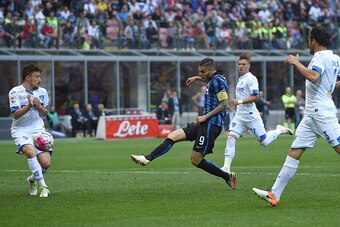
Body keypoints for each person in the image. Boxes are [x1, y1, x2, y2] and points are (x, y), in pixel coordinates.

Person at [253, 25, 340, 206]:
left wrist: (296, 63)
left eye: (309, 40)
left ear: (314, 41)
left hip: (321, 113)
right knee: (294, 152)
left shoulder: (318, 57)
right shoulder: (334, 58)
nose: (308, 43)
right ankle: (274, 194)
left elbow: (315, 77)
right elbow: (327, 81)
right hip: (311, 115)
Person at [131, 58, 236, 189]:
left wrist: (205, 116)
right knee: (172, 136)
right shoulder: (215, 78)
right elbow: (208, 79)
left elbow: (225, 104)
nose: (201, 74)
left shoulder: (218, 81)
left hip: (211, 125)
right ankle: (147, 158)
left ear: (211, 70)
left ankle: (227, 176)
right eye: (199, 71)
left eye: (202, 71)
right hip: (204, 123)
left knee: (195, 160)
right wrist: (197, 78)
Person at [220, 52, 293, 175]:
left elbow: (255, 97)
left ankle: (279, 130)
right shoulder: (240, 79)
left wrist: (239, 102)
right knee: (231, 138)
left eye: (243, 64)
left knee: (264, 142)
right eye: (239, 64)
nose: (241, 66)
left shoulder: (251, 79)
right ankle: (226, 167)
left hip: (250, 116)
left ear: (249, 65)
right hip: (240, 116)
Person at [8, 63, 51, 198]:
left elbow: (45, 113)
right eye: (37, 77)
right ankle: (44, 187)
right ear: (28, 78)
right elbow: (15, 115)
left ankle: (31, 180)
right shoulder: (15, 92)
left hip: (38, 129)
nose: (40, 79)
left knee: (45, 163)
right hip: (21, 130)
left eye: (40, 77)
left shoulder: (42, 92)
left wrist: (38, 106)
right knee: (30, 152)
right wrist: (29, 106)